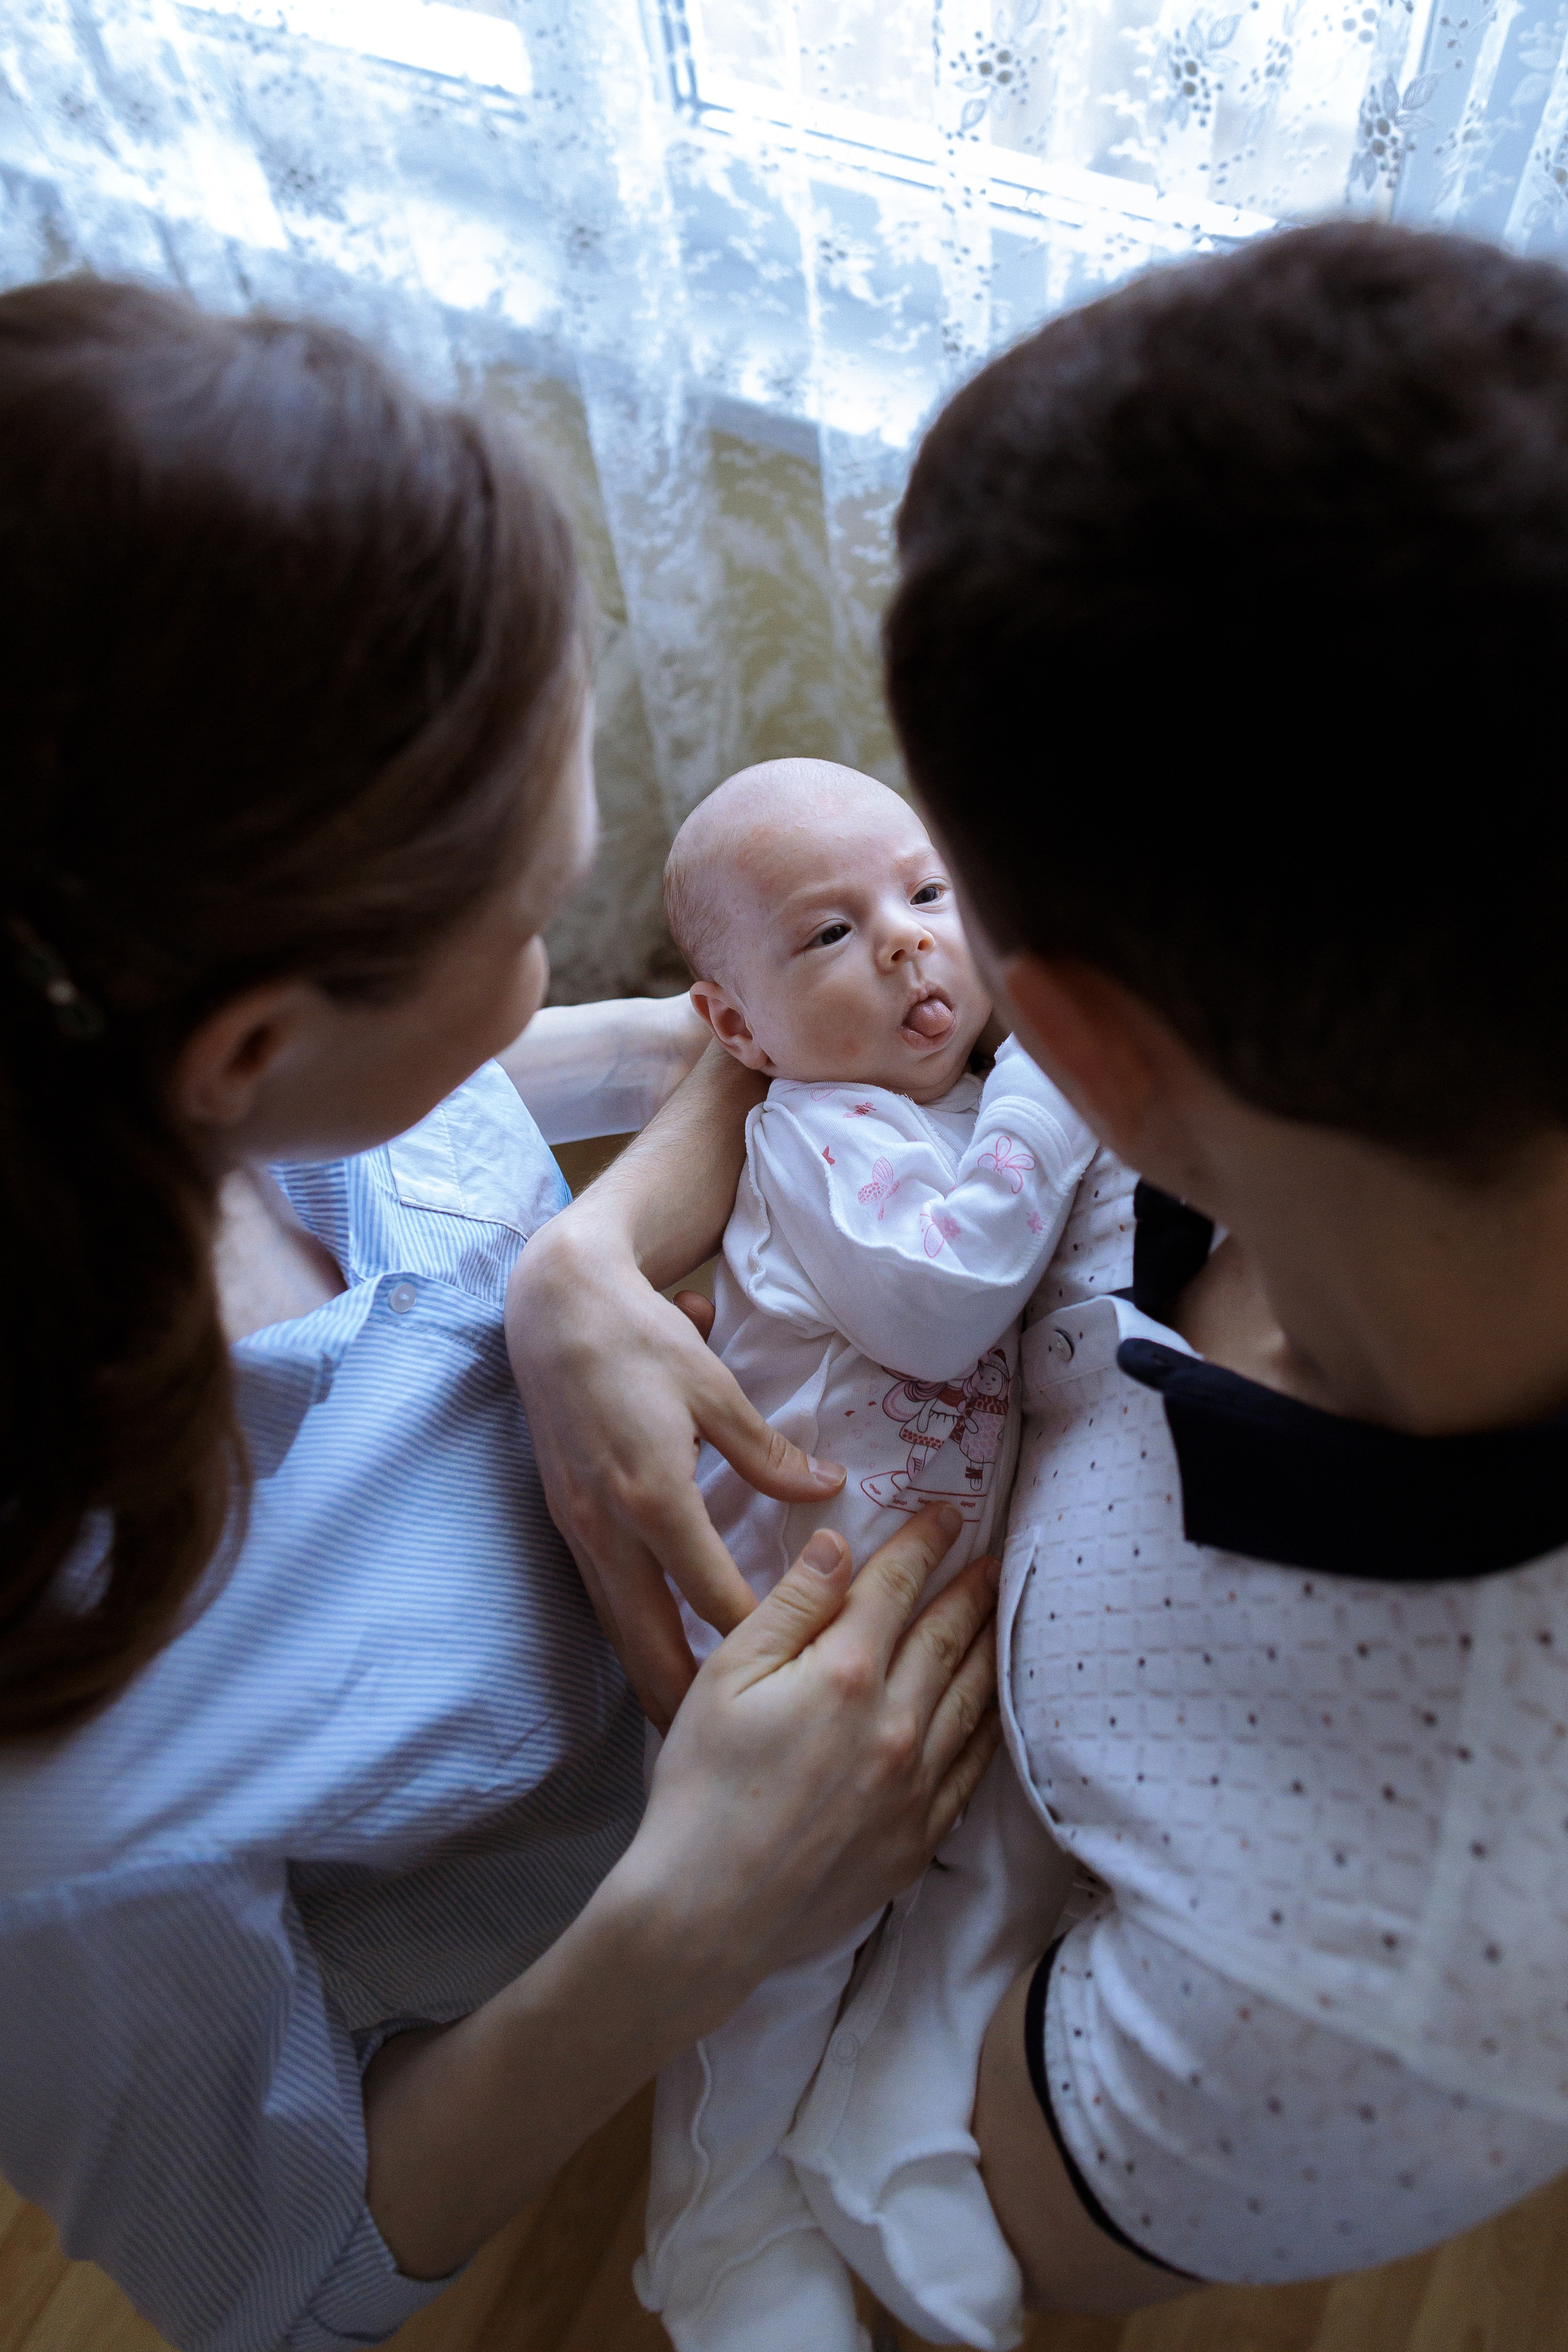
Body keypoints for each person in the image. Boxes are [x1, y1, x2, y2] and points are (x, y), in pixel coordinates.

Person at [508, 219, 1568, 2316]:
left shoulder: (1342, 2007)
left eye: (938, 900)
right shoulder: (1256, 1058)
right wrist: (585, 1264)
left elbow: (987, 2206)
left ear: (1069, 1038)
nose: (913, 953)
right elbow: (827, 1076)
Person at [0, 277, 1003, 2352]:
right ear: (255, 1039)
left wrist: (574, 1261)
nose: (575, 967)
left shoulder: (142, 1032)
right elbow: (275, 2277)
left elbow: (697, 1056)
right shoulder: (71, 1852)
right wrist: (689, 1926)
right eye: (541, 929)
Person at [636, 759, 1093, 2350]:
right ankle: (713, 2225)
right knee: (774, 1947)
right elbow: (949, 1290)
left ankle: (890, 2120)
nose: (906, 945)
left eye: (925, 895)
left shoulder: (966, 1112)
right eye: (830, 935)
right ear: (741, 1028)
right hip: (801, 1641)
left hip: (952, 1623)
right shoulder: (820, 1135)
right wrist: (1057, 1076)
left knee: (997, 1865)